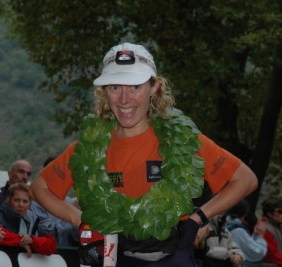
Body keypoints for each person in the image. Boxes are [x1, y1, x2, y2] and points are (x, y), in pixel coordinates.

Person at [29, 42, 258, 267]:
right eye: (115, 87)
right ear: (104, 93)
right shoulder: (90, 147)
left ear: (155, 87)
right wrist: (80, 220)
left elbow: (245, 180)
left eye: (135, 87)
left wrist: (198, 218)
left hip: (172, 258)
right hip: (114, 258)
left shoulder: (183, 140)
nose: (124, 99)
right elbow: (39, 188)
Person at [0, 182, 57, 257]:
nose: (21, 205)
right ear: (8, 200)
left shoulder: (35, 219)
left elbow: (51, 244)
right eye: (16, 200)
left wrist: (33, 240)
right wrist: (22, 240)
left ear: (30, 204)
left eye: (25, 201)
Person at [226, 199, 270, 267]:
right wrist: (260, 236)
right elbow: (256, 253)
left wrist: (255, 235)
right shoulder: (237, 231)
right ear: (244, 213)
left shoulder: (226, 224)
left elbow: (245, 246)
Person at [261, 197, 282, 266]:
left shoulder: (278, 227)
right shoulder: (264, 229)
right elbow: (272, 257)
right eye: (280, 212)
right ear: (269, 214)